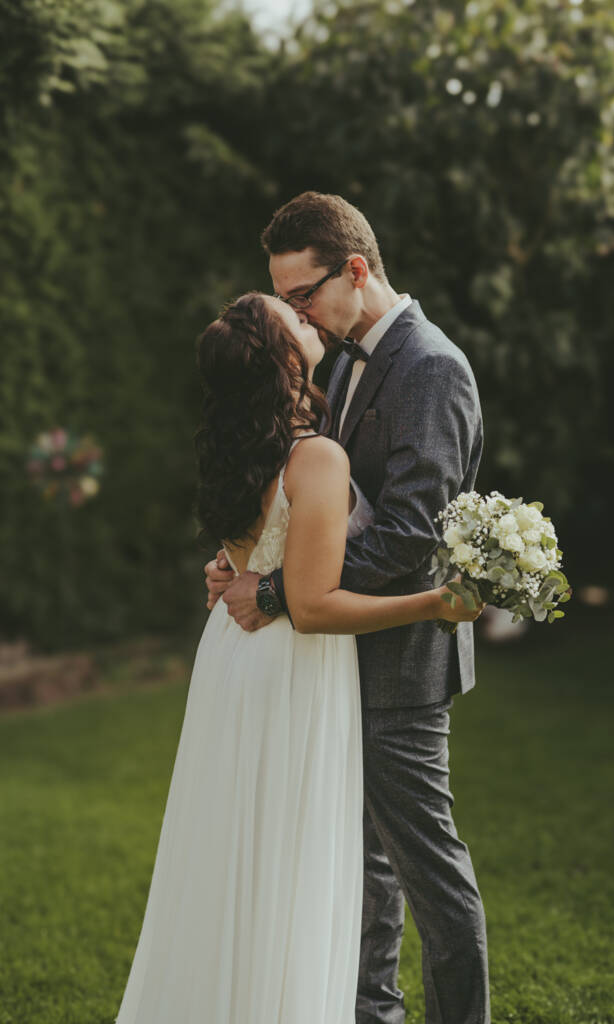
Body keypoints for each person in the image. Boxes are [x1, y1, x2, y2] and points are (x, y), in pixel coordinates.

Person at [114, 289, 481, 1024]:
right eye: (290, 316)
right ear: (284, 359)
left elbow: (257, 551)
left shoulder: (241, 442)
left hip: (234, 659)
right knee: (293, 854)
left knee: (245, 847)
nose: (305, 318)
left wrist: (237, 571)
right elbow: (311, 604)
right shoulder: (312, 453)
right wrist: (438, 604)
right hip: (292, 661)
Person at [205, 192, 491, 1024]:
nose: (295, 315)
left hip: (401, 667)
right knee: (362, 870)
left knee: (428, 873)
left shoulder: (431, 367)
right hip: (332, 661)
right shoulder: (341, 357)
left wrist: (275, 590)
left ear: (355, 271)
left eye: (302, 297)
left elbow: (406, 534)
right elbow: (299, 496)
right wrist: (244, 553)